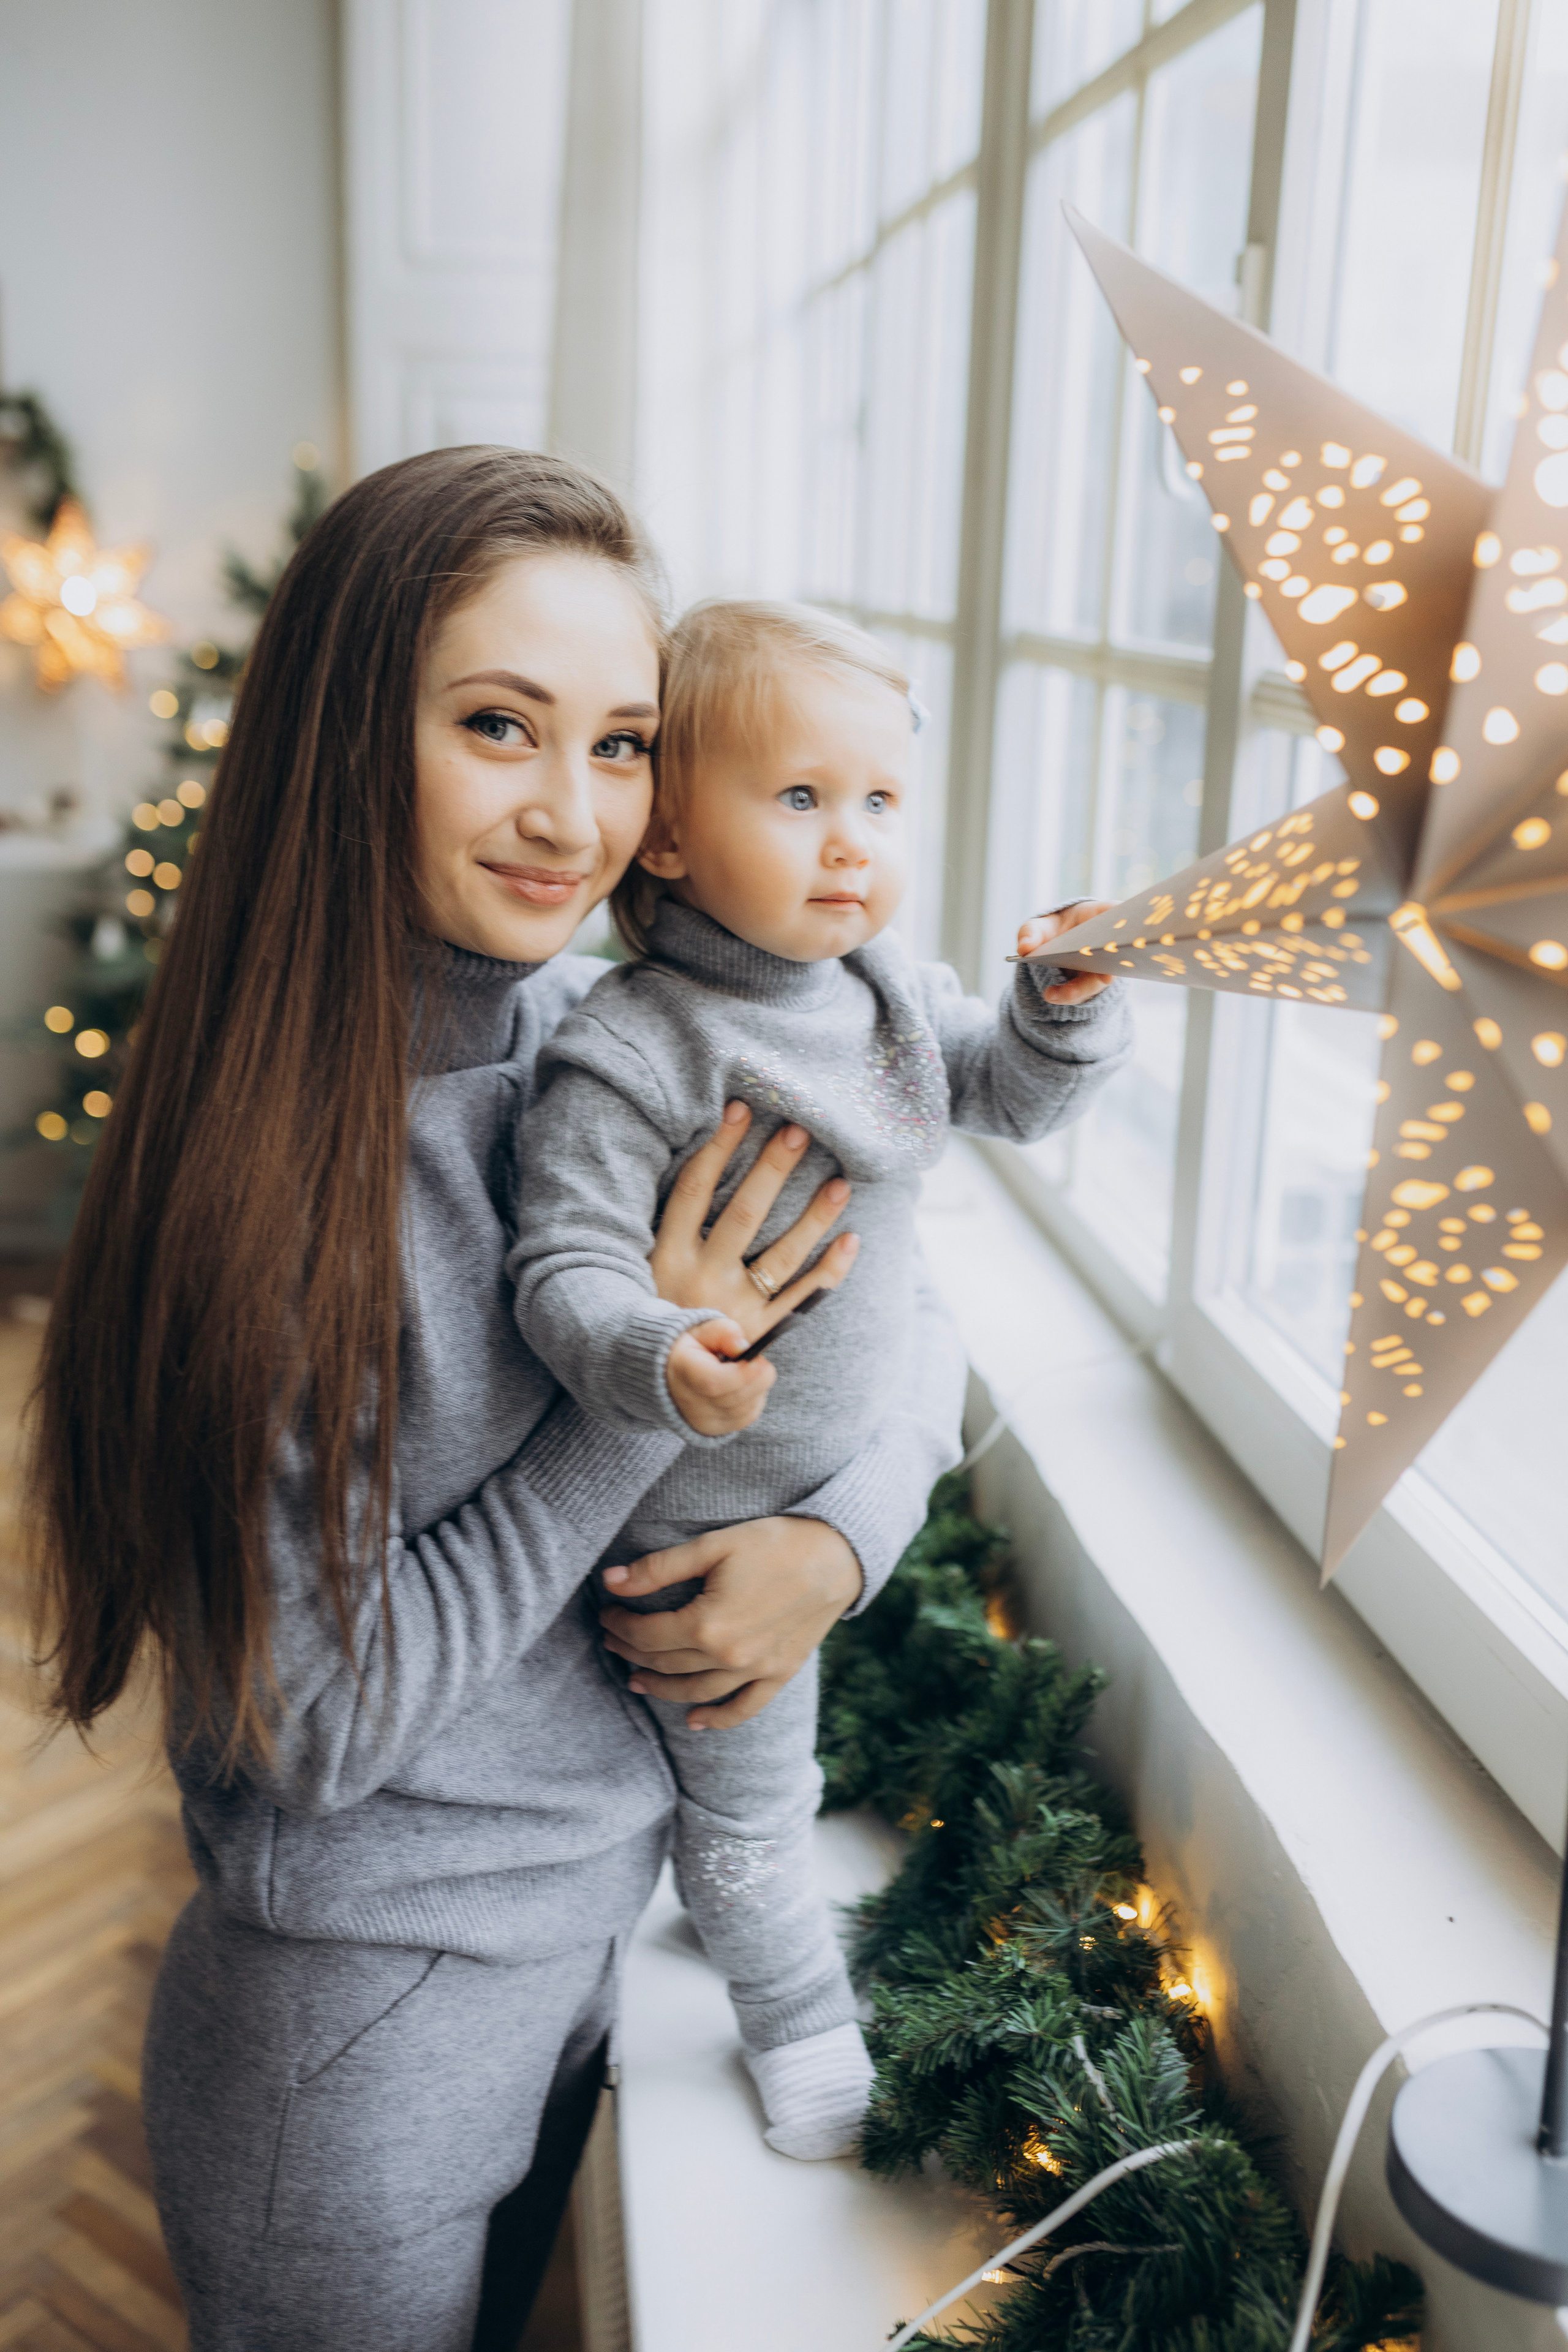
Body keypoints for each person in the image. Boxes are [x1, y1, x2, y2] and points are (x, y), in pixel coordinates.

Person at [28, 451, 976, 2352]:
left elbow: (909, 1311)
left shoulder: (595, 1035)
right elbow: (322, 1722)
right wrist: (654, 1402)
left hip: (583, 1939)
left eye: (624, 744)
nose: (574, 816)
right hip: (359, 2038)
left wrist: (832, 1539)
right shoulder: (283, 1180)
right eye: (495, 727)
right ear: (342, 740)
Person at [510, 598, 1128, 2160]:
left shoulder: (884, 992)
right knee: (751, 1812)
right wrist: (658, 1345)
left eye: (877, 801)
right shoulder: (635, 1048)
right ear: (663, 839)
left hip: (819, 1504)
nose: (848, 843)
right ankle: (792, 2018)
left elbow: (1002, 1092)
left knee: (757, 1791)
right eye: (797, 799)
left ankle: (742, 1935)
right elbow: (562, 1270)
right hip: (690, 1537)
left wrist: (1061, 1014)